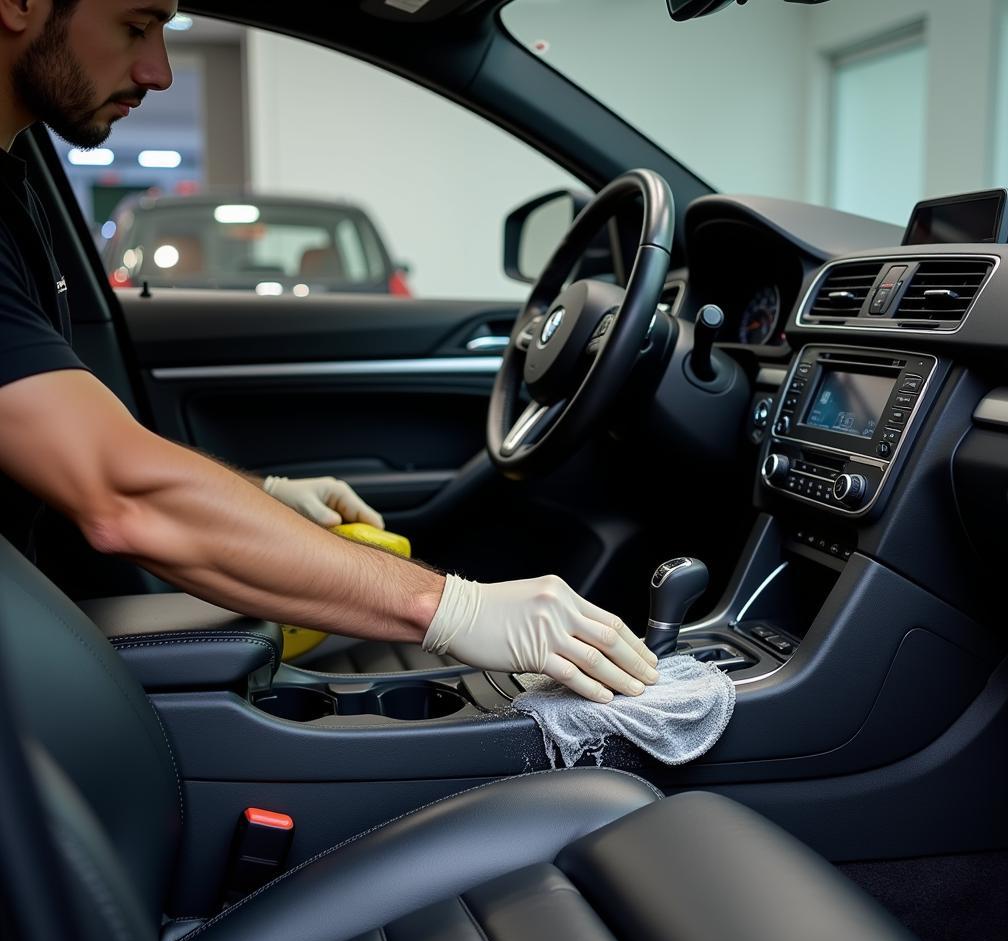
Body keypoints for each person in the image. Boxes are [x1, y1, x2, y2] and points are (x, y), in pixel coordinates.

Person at [0, 0, 661, 702]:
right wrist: (453, 609)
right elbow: (118, 493)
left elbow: (77, 442)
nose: (159, 69)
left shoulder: (17, 193)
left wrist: (269, 498)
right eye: (137, 26)